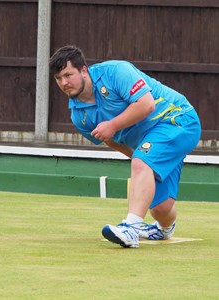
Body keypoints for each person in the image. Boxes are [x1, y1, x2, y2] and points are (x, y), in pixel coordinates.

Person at [49, 45, 201, 248]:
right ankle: (164, 229)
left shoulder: (115, 72)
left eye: (68, 75)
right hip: (153, 141)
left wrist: (118, 132)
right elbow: (112, 141)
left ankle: (131, 227)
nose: (64, 83)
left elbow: (146, 104)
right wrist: (139, 160)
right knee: (161, 209)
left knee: (141, 161)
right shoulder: (79, 116)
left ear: (84, 70)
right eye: (58, 78)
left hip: (177, 119)